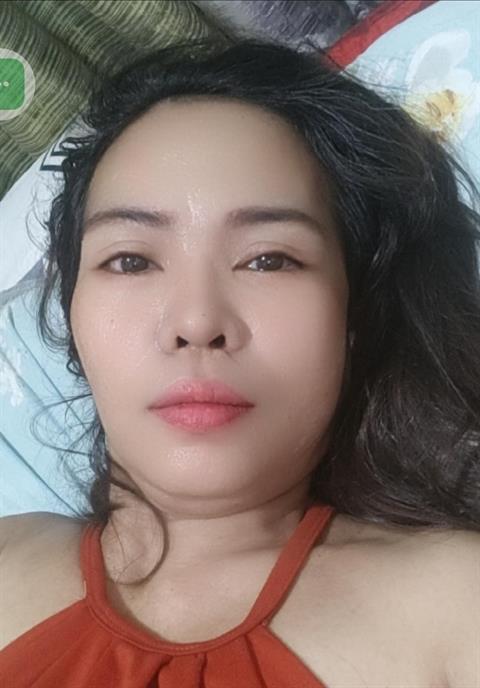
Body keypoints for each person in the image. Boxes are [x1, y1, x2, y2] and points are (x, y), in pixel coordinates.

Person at [0, 37, 479, 688]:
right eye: (131, 260)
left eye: (269, 259)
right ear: (72, 318)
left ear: (354, 318)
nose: (197, 322)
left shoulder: (457, 607)